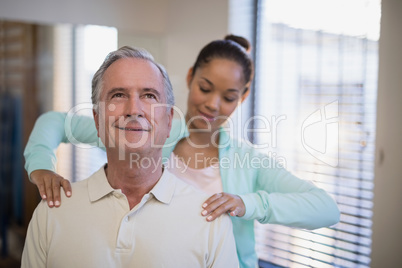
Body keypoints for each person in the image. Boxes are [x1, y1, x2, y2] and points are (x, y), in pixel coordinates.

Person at [24, 35, 340, 268]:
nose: (213, 104)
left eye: (228, 97)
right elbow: (55, 123)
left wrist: (248, 203)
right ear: (190, 77)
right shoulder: (143, 129)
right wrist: (40, 167)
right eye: (205, 88)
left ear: (241, 99)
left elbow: (326, 208)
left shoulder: (249, 162)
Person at [21, 46, 239, 267]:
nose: (134, 109)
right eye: (118, 95)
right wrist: (40, 167)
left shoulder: (212, 222)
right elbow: (53, 122)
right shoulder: (51, 214)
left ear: (169, 120)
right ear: (97, 120)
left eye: (149, 95)